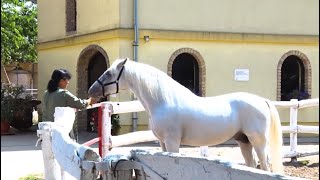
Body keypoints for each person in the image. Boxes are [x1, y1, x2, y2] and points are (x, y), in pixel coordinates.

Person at [42, 69, 96, 140]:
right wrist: (90, 100)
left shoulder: (46, 93)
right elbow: (80, 104)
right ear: (61, 81)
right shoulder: (63, 93)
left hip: (46, 130)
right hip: (60, 131)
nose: (68, 82)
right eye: (67, 80)